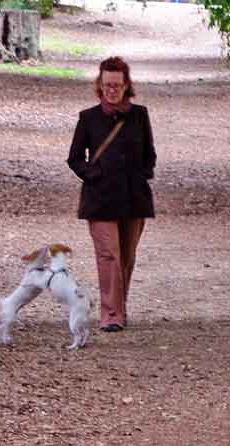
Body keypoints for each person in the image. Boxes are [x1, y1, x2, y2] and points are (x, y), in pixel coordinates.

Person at [67, 56, 156, 333]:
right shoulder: (88, 118)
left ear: (126, 85)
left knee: (127, 258)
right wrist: (94, 175)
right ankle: (111, 314)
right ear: (100, 84)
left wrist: (142, 174)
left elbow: (149, 154)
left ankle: (120, 308)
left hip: (133, 197)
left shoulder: (140, 115)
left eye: (117, 85)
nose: (112, 90)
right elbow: (74, 158)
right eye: (107, 85)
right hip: (100, 199)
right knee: (109, 256)